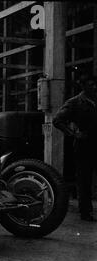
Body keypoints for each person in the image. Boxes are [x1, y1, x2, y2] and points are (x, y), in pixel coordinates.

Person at [53, 73, 97, 222]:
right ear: (83, 86)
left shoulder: (95, 101)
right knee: (84, 180)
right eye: (91, 84)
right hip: (84, 146)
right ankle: (86, 212)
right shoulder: (75, 102)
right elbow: (57, 120)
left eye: (95, 84)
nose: (94, 87)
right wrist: (73, 134)